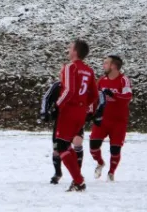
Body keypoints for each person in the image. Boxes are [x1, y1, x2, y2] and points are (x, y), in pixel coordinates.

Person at [54, 40, 98, 192]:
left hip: (69, 110)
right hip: (80, 112)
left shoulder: (70, 67)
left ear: (75, 51)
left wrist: (57, 105)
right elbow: (94, 94)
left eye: (70, 47)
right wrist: (84, 106)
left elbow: (69, 91)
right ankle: (78, 180)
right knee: (67, 145)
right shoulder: (89, 70)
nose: (68, 49)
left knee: (61, 145)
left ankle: (79, 181)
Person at [90, 56, 133, 182]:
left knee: (115, 149)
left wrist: (114, 94)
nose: (103, 65)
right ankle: (100, 163)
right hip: (102, 119)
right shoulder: (101, 80)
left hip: (118, 121)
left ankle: (111, 172)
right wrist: (91, 112)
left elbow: (128, 96)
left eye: (106, 63)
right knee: (93, 147)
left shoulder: (123, 80)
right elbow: (94, 98)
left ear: (113, 66)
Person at [41, 81, 90, 185]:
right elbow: (46, 98)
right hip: (61, 121)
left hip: (75, 119)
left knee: (77, 142)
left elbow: (91, 97)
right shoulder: (58, 86)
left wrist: (89, 112)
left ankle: (77, 173)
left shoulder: (80, 85)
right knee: (57, 150)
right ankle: (58, 173)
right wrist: (45, 112)